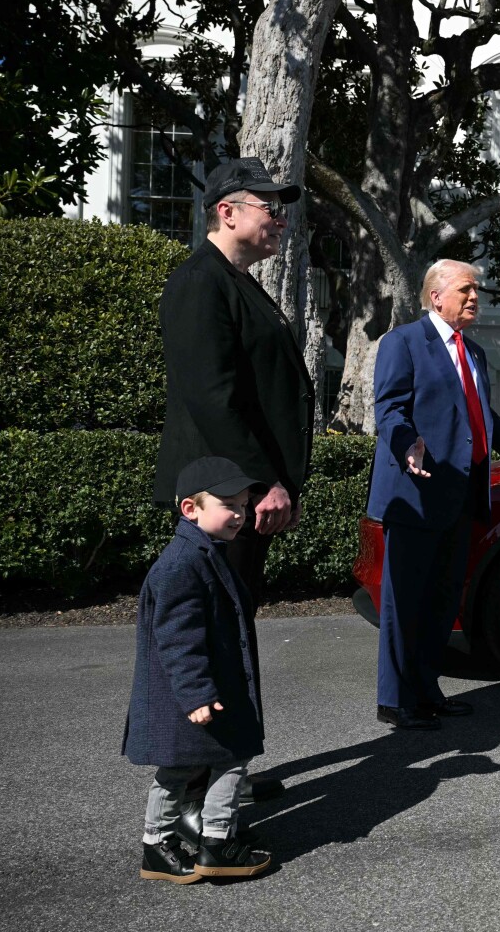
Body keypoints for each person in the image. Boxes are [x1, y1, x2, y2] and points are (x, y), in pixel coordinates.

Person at [154, 156, 314, 802]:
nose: (281, 220)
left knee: (230, 636)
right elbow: (213, 399)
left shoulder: (238, 282)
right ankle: (195, 795)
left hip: (238, 497)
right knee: (212, 641)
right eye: (270, 208)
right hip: (223, 500)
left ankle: (223, 775)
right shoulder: (200, 283)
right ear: (227, 211)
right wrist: (262, 483)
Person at [366, 259, 500, 730]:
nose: (475, 297)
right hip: (416, 494)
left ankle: (426, 692)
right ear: (436, 297)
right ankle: (395, 700)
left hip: (461, 498)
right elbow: (389, 408)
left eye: (477, 290)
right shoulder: (403, 342)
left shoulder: (473, 352)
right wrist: (407, 444)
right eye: (465, 290)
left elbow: (484, 420)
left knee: (441, 601)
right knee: (404, 603)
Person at [124, 456, 273, 883]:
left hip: (208, 692)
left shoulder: (206, 552)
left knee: (215, 761)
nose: (240, 514)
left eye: (243, 505)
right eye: (229, 505)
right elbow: (178, 638)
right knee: (189, 767)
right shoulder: (180, 564)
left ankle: (206, 841)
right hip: (191, 697)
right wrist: (196, 694)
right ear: (191, 508)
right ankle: (179, 844)